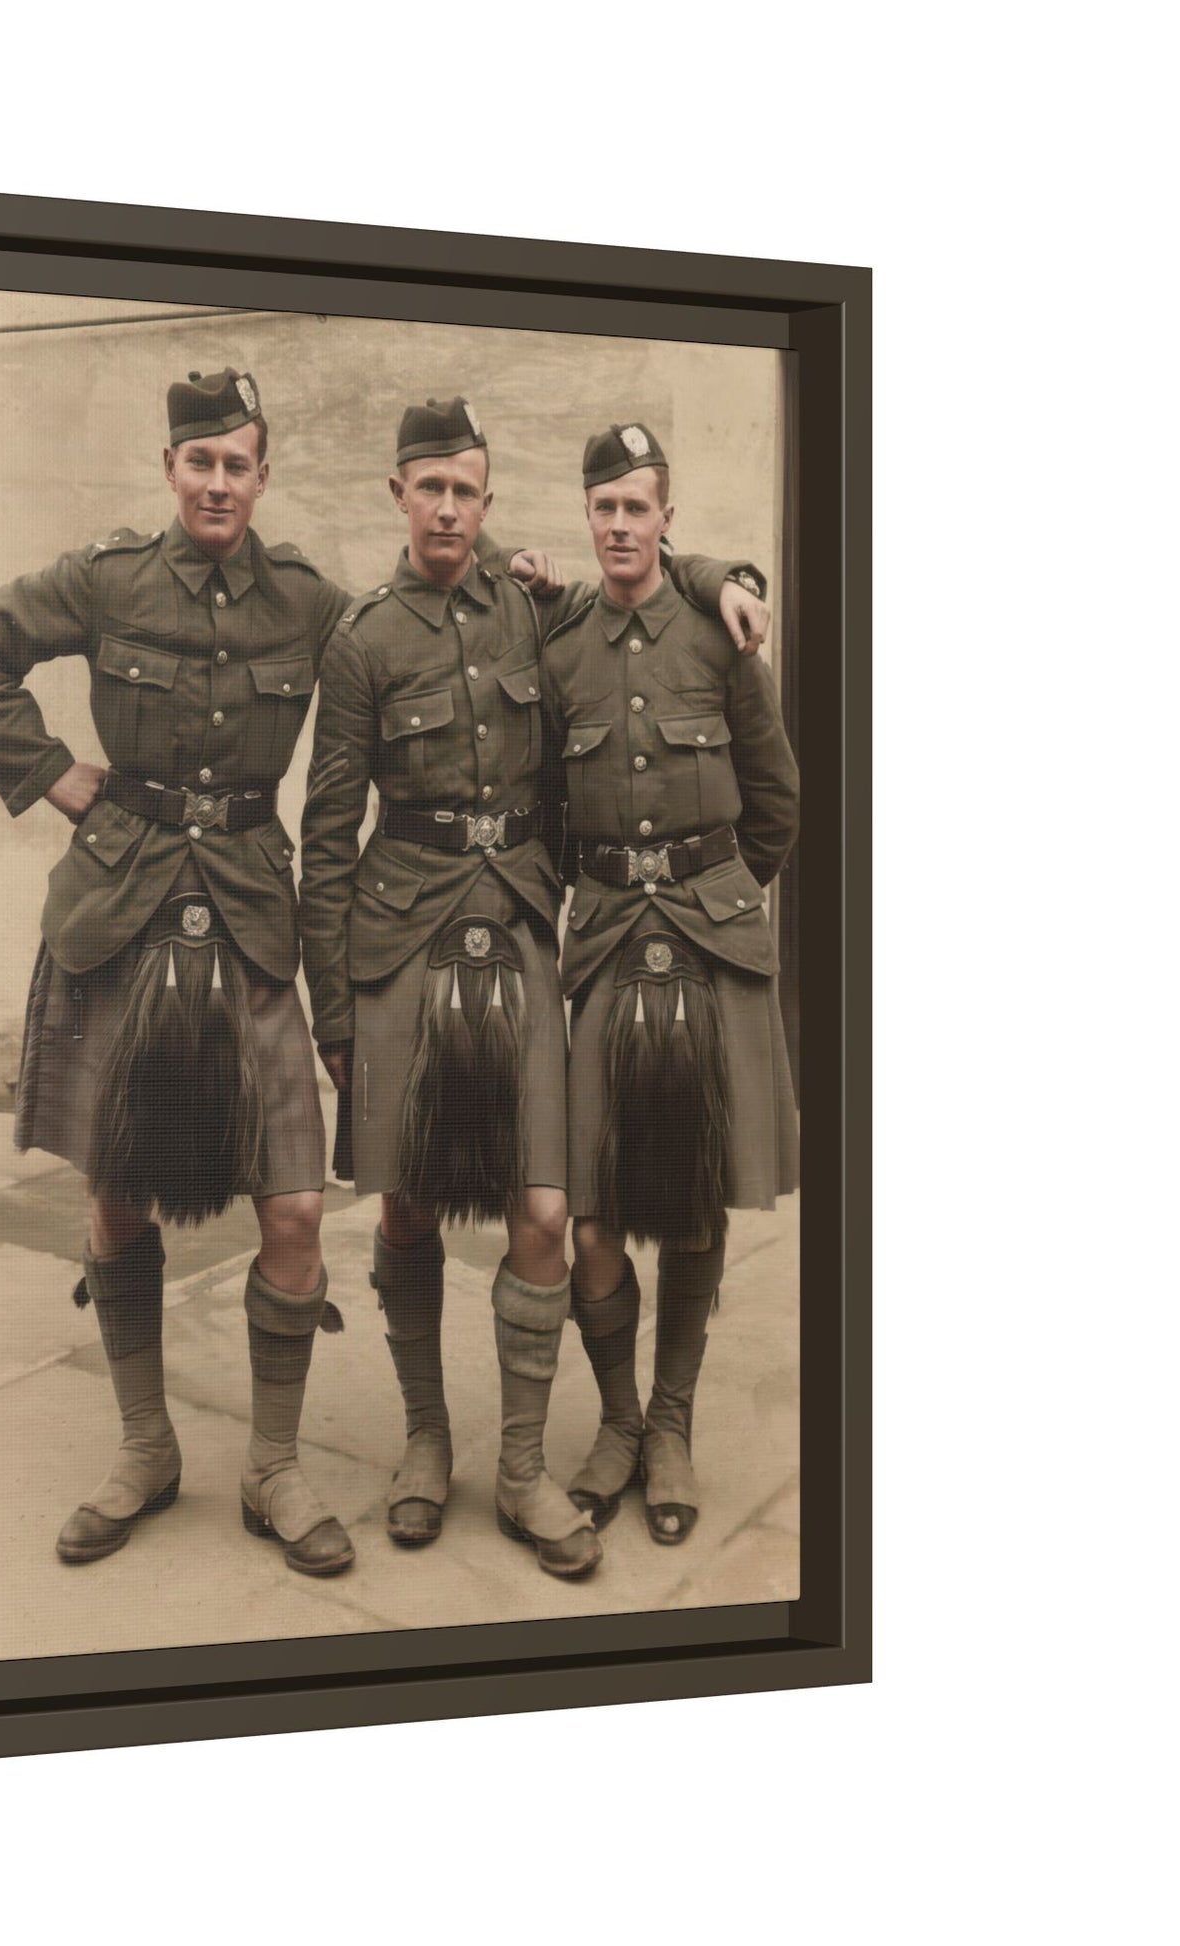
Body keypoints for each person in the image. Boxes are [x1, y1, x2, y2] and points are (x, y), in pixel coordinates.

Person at [0, 368, 560, 1580]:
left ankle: (273, 1463)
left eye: (236, 465)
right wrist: (49, 772)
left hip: (250, 915)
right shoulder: (105, 579)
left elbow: (423, 602)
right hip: (118, 911)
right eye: (198, 463)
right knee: (114, 1195)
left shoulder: (311, 602)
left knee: (292, 1206)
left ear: (264, 477)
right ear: (170, 469)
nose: (217, 484)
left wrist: (514, 561)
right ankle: (144, 1444)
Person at [299, 397, 771, 1578]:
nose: (446, 507)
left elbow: (646, 580)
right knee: (405, 1204)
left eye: (465, 488)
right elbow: (325, 835)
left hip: (517, 926)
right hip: (399, 933)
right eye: (428, 486)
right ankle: (425, 1439)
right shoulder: (360, 638)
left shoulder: (531, 605)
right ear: (399, 493)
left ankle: (519, 1469)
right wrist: (333, 1008)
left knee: (551, 1211)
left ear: (489, 501)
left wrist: (723, 572)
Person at [540, 420, 800, 1546]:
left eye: (636, 507)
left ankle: (672, 1427)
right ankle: (617, 1423)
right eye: (602, 507)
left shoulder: (719, 634)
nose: (618, 526)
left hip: (706, 941)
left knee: (694, 1201)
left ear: (664, 518)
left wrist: (719, 896)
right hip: (605, 942)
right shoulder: (560, 648)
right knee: (593, 1209)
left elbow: (775, 800)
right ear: (586, 515)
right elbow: (549, 814)